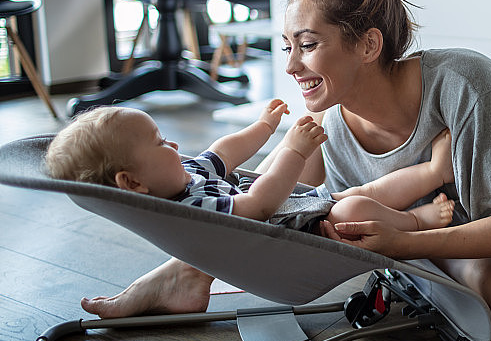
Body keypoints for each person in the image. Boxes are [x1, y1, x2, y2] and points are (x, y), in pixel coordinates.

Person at [81, 0, 491, 341]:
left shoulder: (463, 84)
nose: (290, 65)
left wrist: (405, 243)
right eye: (286, 45)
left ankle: (438, 266)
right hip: (451, 236)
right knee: (329, 211)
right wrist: (184, 266)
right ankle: (184, 277)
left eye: (307, 45)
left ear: (368, 44)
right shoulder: (327, 120)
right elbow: (261, 211)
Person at [46, 100, 456, 236]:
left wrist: (263, 127)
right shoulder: (193, 208)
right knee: (353, 210)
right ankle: (417, 223)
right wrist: (293, 151)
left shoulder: (185, 174)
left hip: (301, 204)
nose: (172, 144)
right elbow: (258, 206)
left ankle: (435, 171)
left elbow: (223, 151)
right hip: (301, 230)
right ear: (132, 181)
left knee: (361, 195)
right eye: (158, 143)